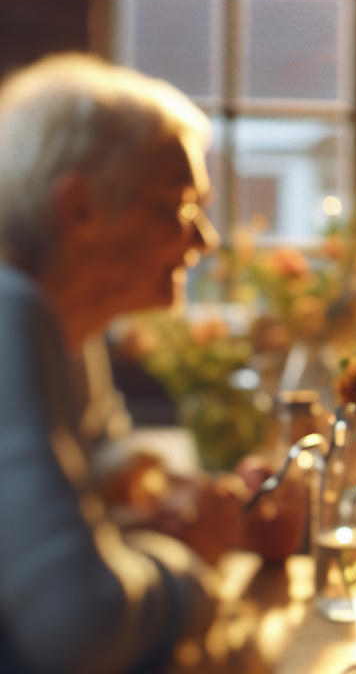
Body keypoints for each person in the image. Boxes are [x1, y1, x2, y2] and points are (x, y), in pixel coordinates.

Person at [0, 53, 221, 673]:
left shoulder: (66, 327)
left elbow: (97, 455)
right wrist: (190, 568)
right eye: (178, 207)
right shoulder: (9, 312)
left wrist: (163, 494)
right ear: (78, 210)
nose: (205, 240)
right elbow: (79, 629)